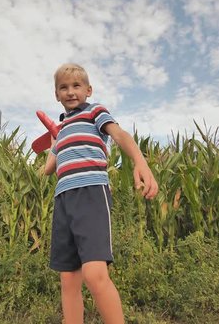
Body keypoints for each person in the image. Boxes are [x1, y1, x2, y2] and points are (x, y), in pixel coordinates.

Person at [44, 63, 158, 323]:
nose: (70, 92)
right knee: (68, 278)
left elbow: (120, 135)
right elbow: (48, 170)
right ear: (56, 94)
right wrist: (53, 144)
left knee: (95, 274)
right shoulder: (61, 131)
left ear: (88, 90)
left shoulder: (95, 112)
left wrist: (140, 162)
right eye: (64, 87)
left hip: (91, 195)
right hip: (63, 200)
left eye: (76, 86)